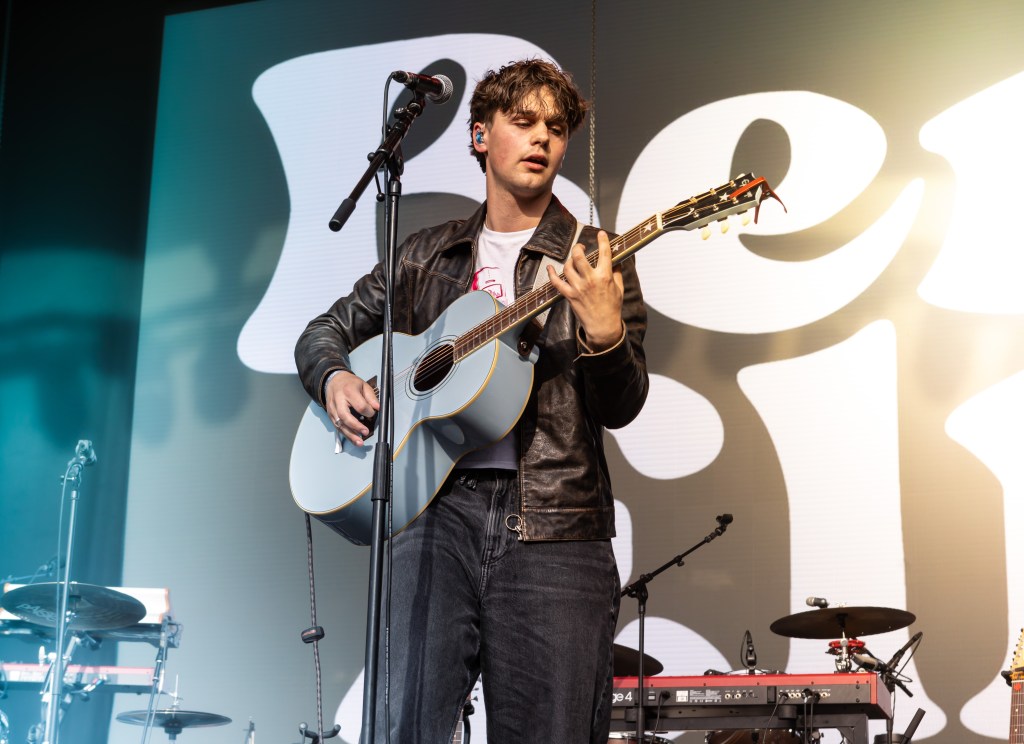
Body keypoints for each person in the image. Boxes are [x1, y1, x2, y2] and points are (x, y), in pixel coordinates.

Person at [295, 58, 648, 744]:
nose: (542, 137)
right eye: (524, 121)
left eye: (556, 127)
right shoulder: (424, 256)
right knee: (401, 730)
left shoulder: (596, 258)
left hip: (555, 527)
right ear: (482, 135)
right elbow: (323, 332)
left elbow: (623, 404)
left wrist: (606, 336)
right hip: (434, 516)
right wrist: (334, 377)